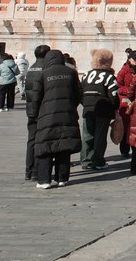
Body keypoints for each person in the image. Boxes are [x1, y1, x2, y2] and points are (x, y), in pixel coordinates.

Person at [34, 50, 83, 189]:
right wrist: (70, 105)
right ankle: (62, 178)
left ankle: (44, 180)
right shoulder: (71, 73)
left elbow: (36, 96)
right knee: (64, 145)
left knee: (46, 145)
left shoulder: (43, 73)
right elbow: (78, 93)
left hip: (47, 115)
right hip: (67, 113)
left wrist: (36, 113)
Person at [80, 49, 119, 170]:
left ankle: (86, 160)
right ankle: (98, 160)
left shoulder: (86, 75)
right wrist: (115, 108)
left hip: (88, 108)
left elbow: (80, 92)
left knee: (87, 135)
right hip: (103, 110)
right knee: (100, 136)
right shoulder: (109, 77)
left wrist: (85, 103)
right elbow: (113, 95)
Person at [24, 44, 51, 180]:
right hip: (42, 110)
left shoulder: (31, 68)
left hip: (31, 108)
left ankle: (28, 170)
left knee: (31, 140)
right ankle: (36, 170)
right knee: (41, 140)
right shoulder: (46, 70)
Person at [116, 51, 136, 157]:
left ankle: (135, 147)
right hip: (125, 102)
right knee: (125, 126)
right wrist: (129, 91)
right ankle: (124, 149)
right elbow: (118, 86)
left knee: (135, 126)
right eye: (134, 59)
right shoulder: (123, 71)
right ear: (129, 59)